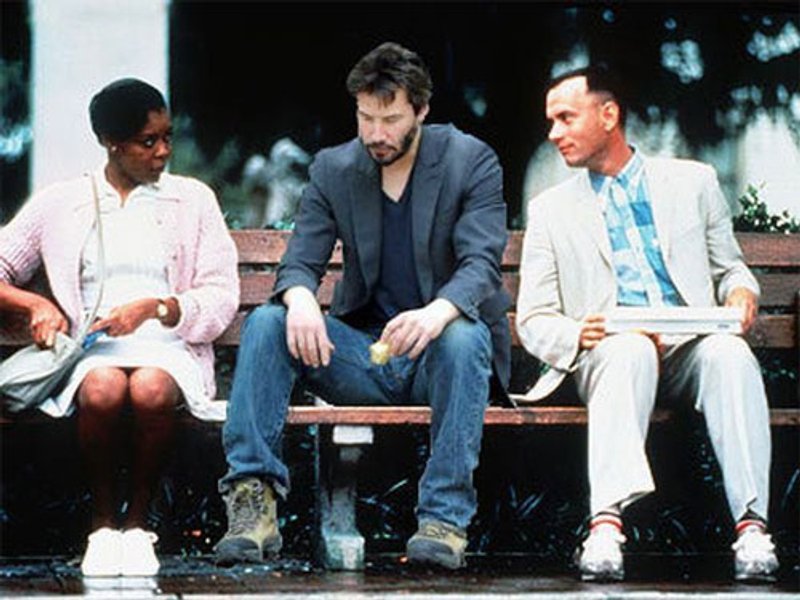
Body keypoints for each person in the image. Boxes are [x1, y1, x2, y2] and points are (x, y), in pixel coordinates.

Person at [215, 42, 510, 570]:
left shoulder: (469, 161)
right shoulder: (335, 168)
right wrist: (301, 299)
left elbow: (481, 264)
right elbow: (300, 260)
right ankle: (252, 505)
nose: (376, 133)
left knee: (464, 334)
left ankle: (444, 522)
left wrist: (435, 314)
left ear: (421, 110)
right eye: (365, 117)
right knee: (268, 321)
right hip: (363, 356)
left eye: (390, 119)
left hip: (442, 360)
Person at [516, 65, 778, 582]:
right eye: (551, 121)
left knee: (730, 354)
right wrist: (578, 333)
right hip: (607, 354)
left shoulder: (694, 182)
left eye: (566, 118)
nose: (553, 133)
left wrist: (742, 293)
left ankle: (753, 529)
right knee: (629, 347)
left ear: (608, 115)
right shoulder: (550, 210)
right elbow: (533, 318)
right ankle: (605, 528)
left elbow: (730, 269)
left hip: (688, 347)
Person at [0, 78, 239, 577]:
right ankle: (103, 524)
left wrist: (157, 308)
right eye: (147, 142)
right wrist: (34, 304)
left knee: (150, 388)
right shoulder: (63, 202)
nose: (163, 152)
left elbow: (221, 294)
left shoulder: (192, 200)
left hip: (171, 345)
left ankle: (138, 524)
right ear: (112, 143)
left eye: (167, 137)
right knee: (103, 389)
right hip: (94, 350)